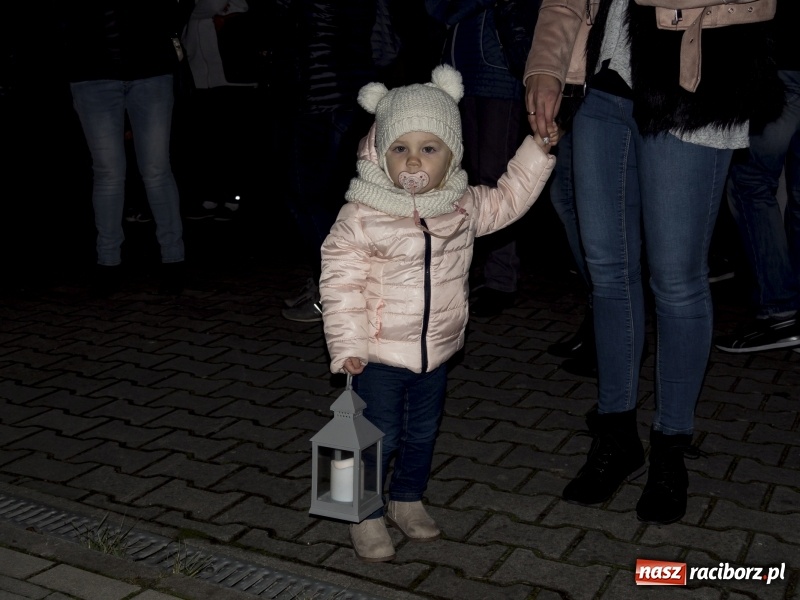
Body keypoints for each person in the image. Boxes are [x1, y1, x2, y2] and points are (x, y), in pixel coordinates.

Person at [525, 0, 784, 525]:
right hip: (602, 85)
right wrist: (547, 67)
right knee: (607, 274)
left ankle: (670, 446)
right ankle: (616, 435)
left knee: (677, 280)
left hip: (693, 85)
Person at [319, 65, 556, 562]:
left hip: (438, 352)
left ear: (452, 154)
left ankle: (407, 498)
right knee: (376, 434)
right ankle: (362, 513)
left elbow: (510, 198)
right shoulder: (361, 215)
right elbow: (340, 286)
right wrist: (347, 347)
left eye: (429, 148)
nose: (413, 160)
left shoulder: (461, 206)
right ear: (378, 152)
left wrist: (537, 149)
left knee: (422, 432)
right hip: (377, 355)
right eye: (400, 148)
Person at [55, 0, 187, 296]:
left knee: (155, 170)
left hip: (150, 69)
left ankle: (173, 259)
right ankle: (108, 261)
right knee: (109, 173)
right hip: (93, 72)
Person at [425, 0, 534, 317]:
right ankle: (479, 271)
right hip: (458, 73)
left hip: (498, 73)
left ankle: (501, 279)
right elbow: (434, 8)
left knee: (496, 178)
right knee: (465, 181)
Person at [278, 0, 378, 323]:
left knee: (313, 199)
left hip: (325, 98)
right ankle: (329, 284)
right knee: (318, 199)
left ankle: (334, 292)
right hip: (333, 95)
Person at [713, 3, 800, 354]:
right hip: (784, 62)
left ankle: (780, 311)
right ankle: (791, 314)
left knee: (750, 183)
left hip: (782, 61)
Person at [181, 0, 263, 222]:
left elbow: (215, 4)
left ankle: (234, 199)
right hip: (201, 77)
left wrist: (189, 11)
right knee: (210, 142)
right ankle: (211, 197)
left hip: (234, 76)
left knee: (234, 142)